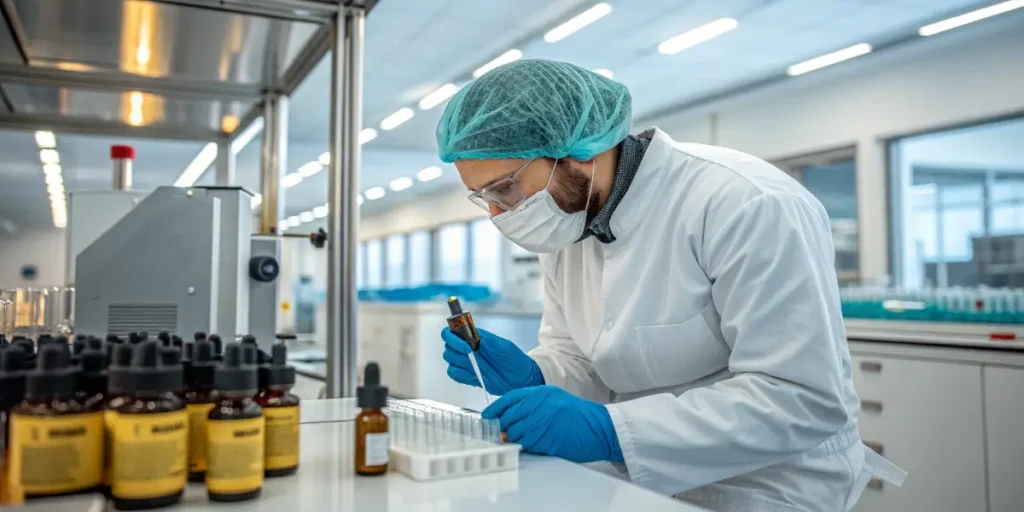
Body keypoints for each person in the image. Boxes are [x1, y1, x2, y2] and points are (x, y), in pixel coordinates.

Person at [435, 60, 905, 511]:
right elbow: (583, 357)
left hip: (768, 484)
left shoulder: (744, 202)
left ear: (578, 150)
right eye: (484, 197)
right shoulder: (567, 223)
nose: (498, 213)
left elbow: (799, 397)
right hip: (636, 477)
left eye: (505, 188)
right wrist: (540, 374)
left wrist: (610, 431)